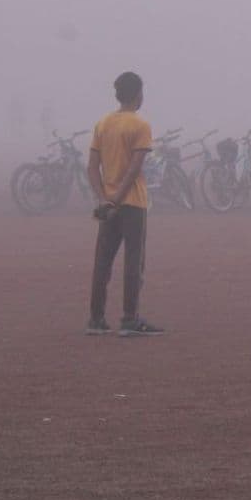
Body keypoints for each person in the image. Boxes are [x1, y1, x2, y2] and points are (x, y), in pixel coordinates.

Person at [86, 72, 164, 336]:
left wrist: (104, 199)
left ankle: (96, 319)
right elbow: (134, 169)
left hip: (108, 203)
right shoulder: (140, 126)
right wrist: (117, 199)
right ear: (138, 95)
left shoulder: (103, 123)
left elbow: (92, 168)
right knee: (133, 261)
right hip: (132, 203)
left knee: (102, 262)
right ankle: (130, 319)